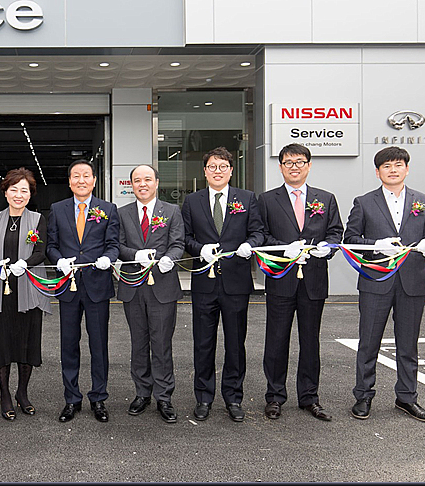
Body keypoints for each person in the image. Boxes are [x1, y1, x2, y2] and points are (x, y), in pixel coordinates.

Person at [344, 146, 425, 423]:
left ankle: (407, 397)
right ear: (378, 172)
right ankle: (363, 395)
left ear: (407, 169)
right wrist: (376, 245)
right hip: (376, 281)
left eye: (398, 164)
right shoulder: (364, 202)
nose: (393, 169)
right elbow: (350, 239)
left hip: (412, 282)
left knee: (408, 345)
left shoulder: (423, 200)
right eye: (387, 166)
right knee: (369, 343)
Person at [257, 143, 343, 421]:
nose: (294, 166)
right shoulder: (267, 200)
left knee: (310, 341)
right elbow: (260, 235)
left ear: (309, 165)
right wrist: (284, 248)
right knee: (276, 340)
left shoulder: (326, 199)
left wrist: (327, 247)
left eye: (299, 161)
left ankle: (309, 397)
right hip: (281, 280)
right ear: (280, 166)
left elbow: (335, 233)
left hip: (313, 282)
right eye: (288, 162)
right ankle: (275, 396)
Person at [182, 147, 264, 422]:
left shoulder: (247, 198)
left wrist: (249, 245)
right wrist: (199, 248)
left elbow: (258, 232)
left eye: (223, 166)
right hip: (204, 283)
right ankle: (203, 397)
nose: (218, 171)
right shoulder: (192, 201)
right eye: (212, 167)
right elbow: (185, 238)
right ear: (204, 171)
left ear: (231, 170)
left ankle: (233, 397)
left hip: (236, 283)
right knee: (203, 344)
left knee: (235, 343)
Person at [46, 159, 120, 423]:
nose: (81, 180)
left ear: (94, 180)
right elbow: (50, 245)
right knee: (69, 345)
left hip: (97, 285)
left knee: (99, 345)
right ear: (69, 181)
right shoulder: (57, 209)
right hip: (68, 286)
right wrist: (58, 260)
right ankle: (71, 398)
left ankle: (98, 398)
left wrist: (108, 258)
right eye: (75, 176)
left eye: (86, 175)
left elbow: (114, 244)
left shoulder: (108, 209)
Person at [0, 168, 51, 421]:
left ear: (30, 194)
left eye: (24, 190)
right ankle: (4, 394)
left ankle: (22, 392)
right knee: (2, 344)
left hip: (28, 289)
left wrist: (26, 264)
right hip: (2, 290)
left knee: (27, 344)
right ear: (5, 191)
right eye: (14, 189)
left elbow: (41, 250)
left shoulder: (37, 219)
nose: (18, 195)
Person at [117, 164, 184, 423]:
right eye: (137, 180)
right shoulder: (121, 213)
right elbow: (117, 245)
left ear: (157, 182)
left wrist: (170, 258)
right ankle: (142, 392)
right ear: (131, 185)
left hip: (163, 287)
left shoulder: (172, 211)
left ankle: (164, 397)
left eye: (147, 179)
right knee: (138, 343)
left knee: (162, 344)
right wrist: (134, 255)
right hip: (133, 287)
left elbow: (178, 242)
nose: (142, 184)